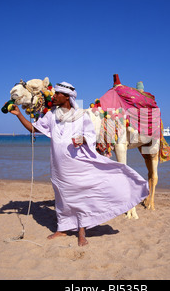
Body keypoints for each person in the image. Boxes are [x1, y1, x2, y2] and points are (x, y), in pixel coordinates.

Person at [10, 81, 149, 246]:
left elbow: (91, 136)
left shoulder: (81, 116)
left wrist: (82, 139)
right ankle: (62, 229)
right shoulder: (50, 116)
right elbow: (34, 129)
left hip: (77, 165)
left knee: (81, 197)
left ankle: (82, 232)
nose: (53, 97)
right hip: (58, 167)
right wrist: (19, 114)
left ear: (67, 97)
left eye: (57, 94)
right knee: (61, 197)